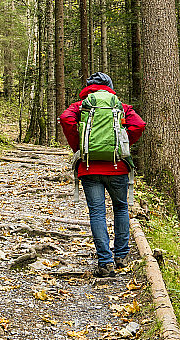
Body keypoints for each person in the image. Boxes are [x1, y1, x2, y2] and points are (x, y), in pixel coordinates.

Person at [59, 72, 145, 277]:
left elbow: (65, 119)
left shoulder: (82, 106)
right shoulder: (120, 106)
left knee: (97, 213)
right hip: (118, 168)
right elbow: (139, 125)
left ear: (89, 87)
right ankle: (121, 257)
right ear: (109, 87)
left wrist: (79, 146)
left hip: (89, 167)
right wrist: (122, 147)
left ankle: (105, 263)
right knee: (121, 208)